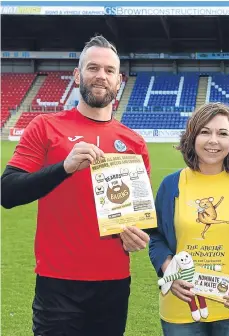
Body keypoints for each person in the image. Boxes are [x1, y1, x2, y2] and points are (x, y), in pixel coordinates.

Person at [1, 35, 151, 336]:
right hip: (58, 283)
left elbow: (137, 217)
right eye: (93, 68)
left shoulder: (134, 142)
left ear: (119, 80)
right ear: (76, 75)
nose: (101, 76)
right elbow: (8, 192)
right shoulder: (45, 127)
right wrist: (65, 167)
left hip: (114, 282)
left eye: (109, 71)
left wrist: (138, 235)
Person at [148, 102, 229, 336]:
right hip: (181, 307)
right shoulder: (171, 184)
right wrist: (170, 275)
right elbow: (157, 239)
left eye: (222, 133)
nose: (213, 140)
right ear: (192, 137)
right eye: (205, 132)